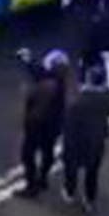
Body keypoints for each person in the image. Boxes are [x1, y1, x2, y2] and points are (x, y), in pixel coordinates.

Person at [61, 64, 109, 213]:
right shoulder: (108, 98)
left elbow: (69, 125)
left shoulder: (79, 102)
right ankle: (89, 198)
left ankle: (70, 192)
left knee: (71, 168)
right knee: (92, 172)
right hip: (96, 141)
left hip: (77, 141)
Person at [17, 50, 75, 198]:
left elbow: (36, 108)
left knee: (28, 154)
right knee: (47, 152)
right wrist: (28, 60)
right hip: (54, 126)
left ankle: (31, 186)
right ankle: (43, 178)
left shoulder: (47, 85)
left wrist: (28, 121)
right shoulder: (59, 82)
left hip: (38, 126)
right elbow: (39, 71)